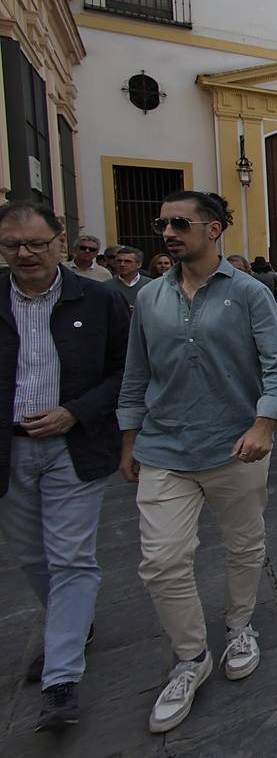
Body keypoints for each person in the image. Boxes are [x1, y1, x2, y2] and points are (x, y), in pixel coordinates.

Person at [117, 190, 277, 734]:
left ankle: (240, 625)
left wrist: (264, 423)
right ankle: (191, 656)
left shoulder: (247, 294)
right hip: (164, 448)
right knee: (163, 560)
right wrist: (129, 440)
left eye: (180, 223)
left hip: (235, 445)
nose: (167, 232)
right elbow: (136, 373)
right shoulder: (149, 297)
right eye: (163, 223)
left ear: (214, 229)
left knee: (243, 543)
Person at [0, 202, 129, 732]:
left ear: (60, 242)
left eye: (35, 243)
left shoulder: (97, 300)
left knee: (72, 555)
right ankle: (70, 628)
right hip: (10, 451)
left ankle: (61, 676)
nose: (25, 253)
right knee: (33, 556)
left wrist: (76, 411)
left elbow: (126, 372)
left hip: (73, 445)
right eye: (13, 245)